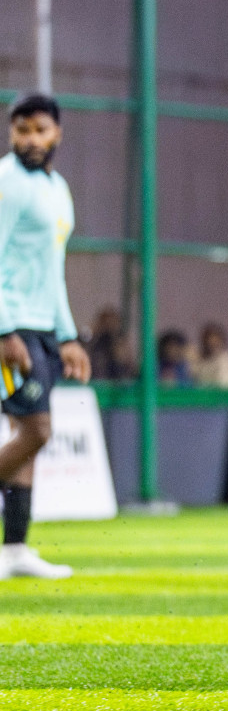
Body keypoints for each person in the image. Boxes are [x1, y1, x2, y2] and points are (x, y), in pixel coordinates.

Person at [0, 95, 91, 580]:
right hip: (10, 326)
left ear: (57, 133)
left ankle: (13, 550)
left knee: (26, 439)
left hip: (41, 328)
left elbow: (53, 270)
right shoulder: (7, 183)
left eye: (38, 129)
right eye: (20, 130)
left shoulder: (58, 190)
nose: (28, 139)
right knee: (37, 431)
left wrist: (69, 336)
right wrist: (4, 331)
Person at [190, 323, 228, 387]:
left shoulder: (225, 360)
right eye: (209, 341)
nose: (212, 344)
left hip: (221, 396)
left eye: (216, 341)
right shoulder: (201, 360)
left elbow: (225, 385)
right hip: (202, 395)